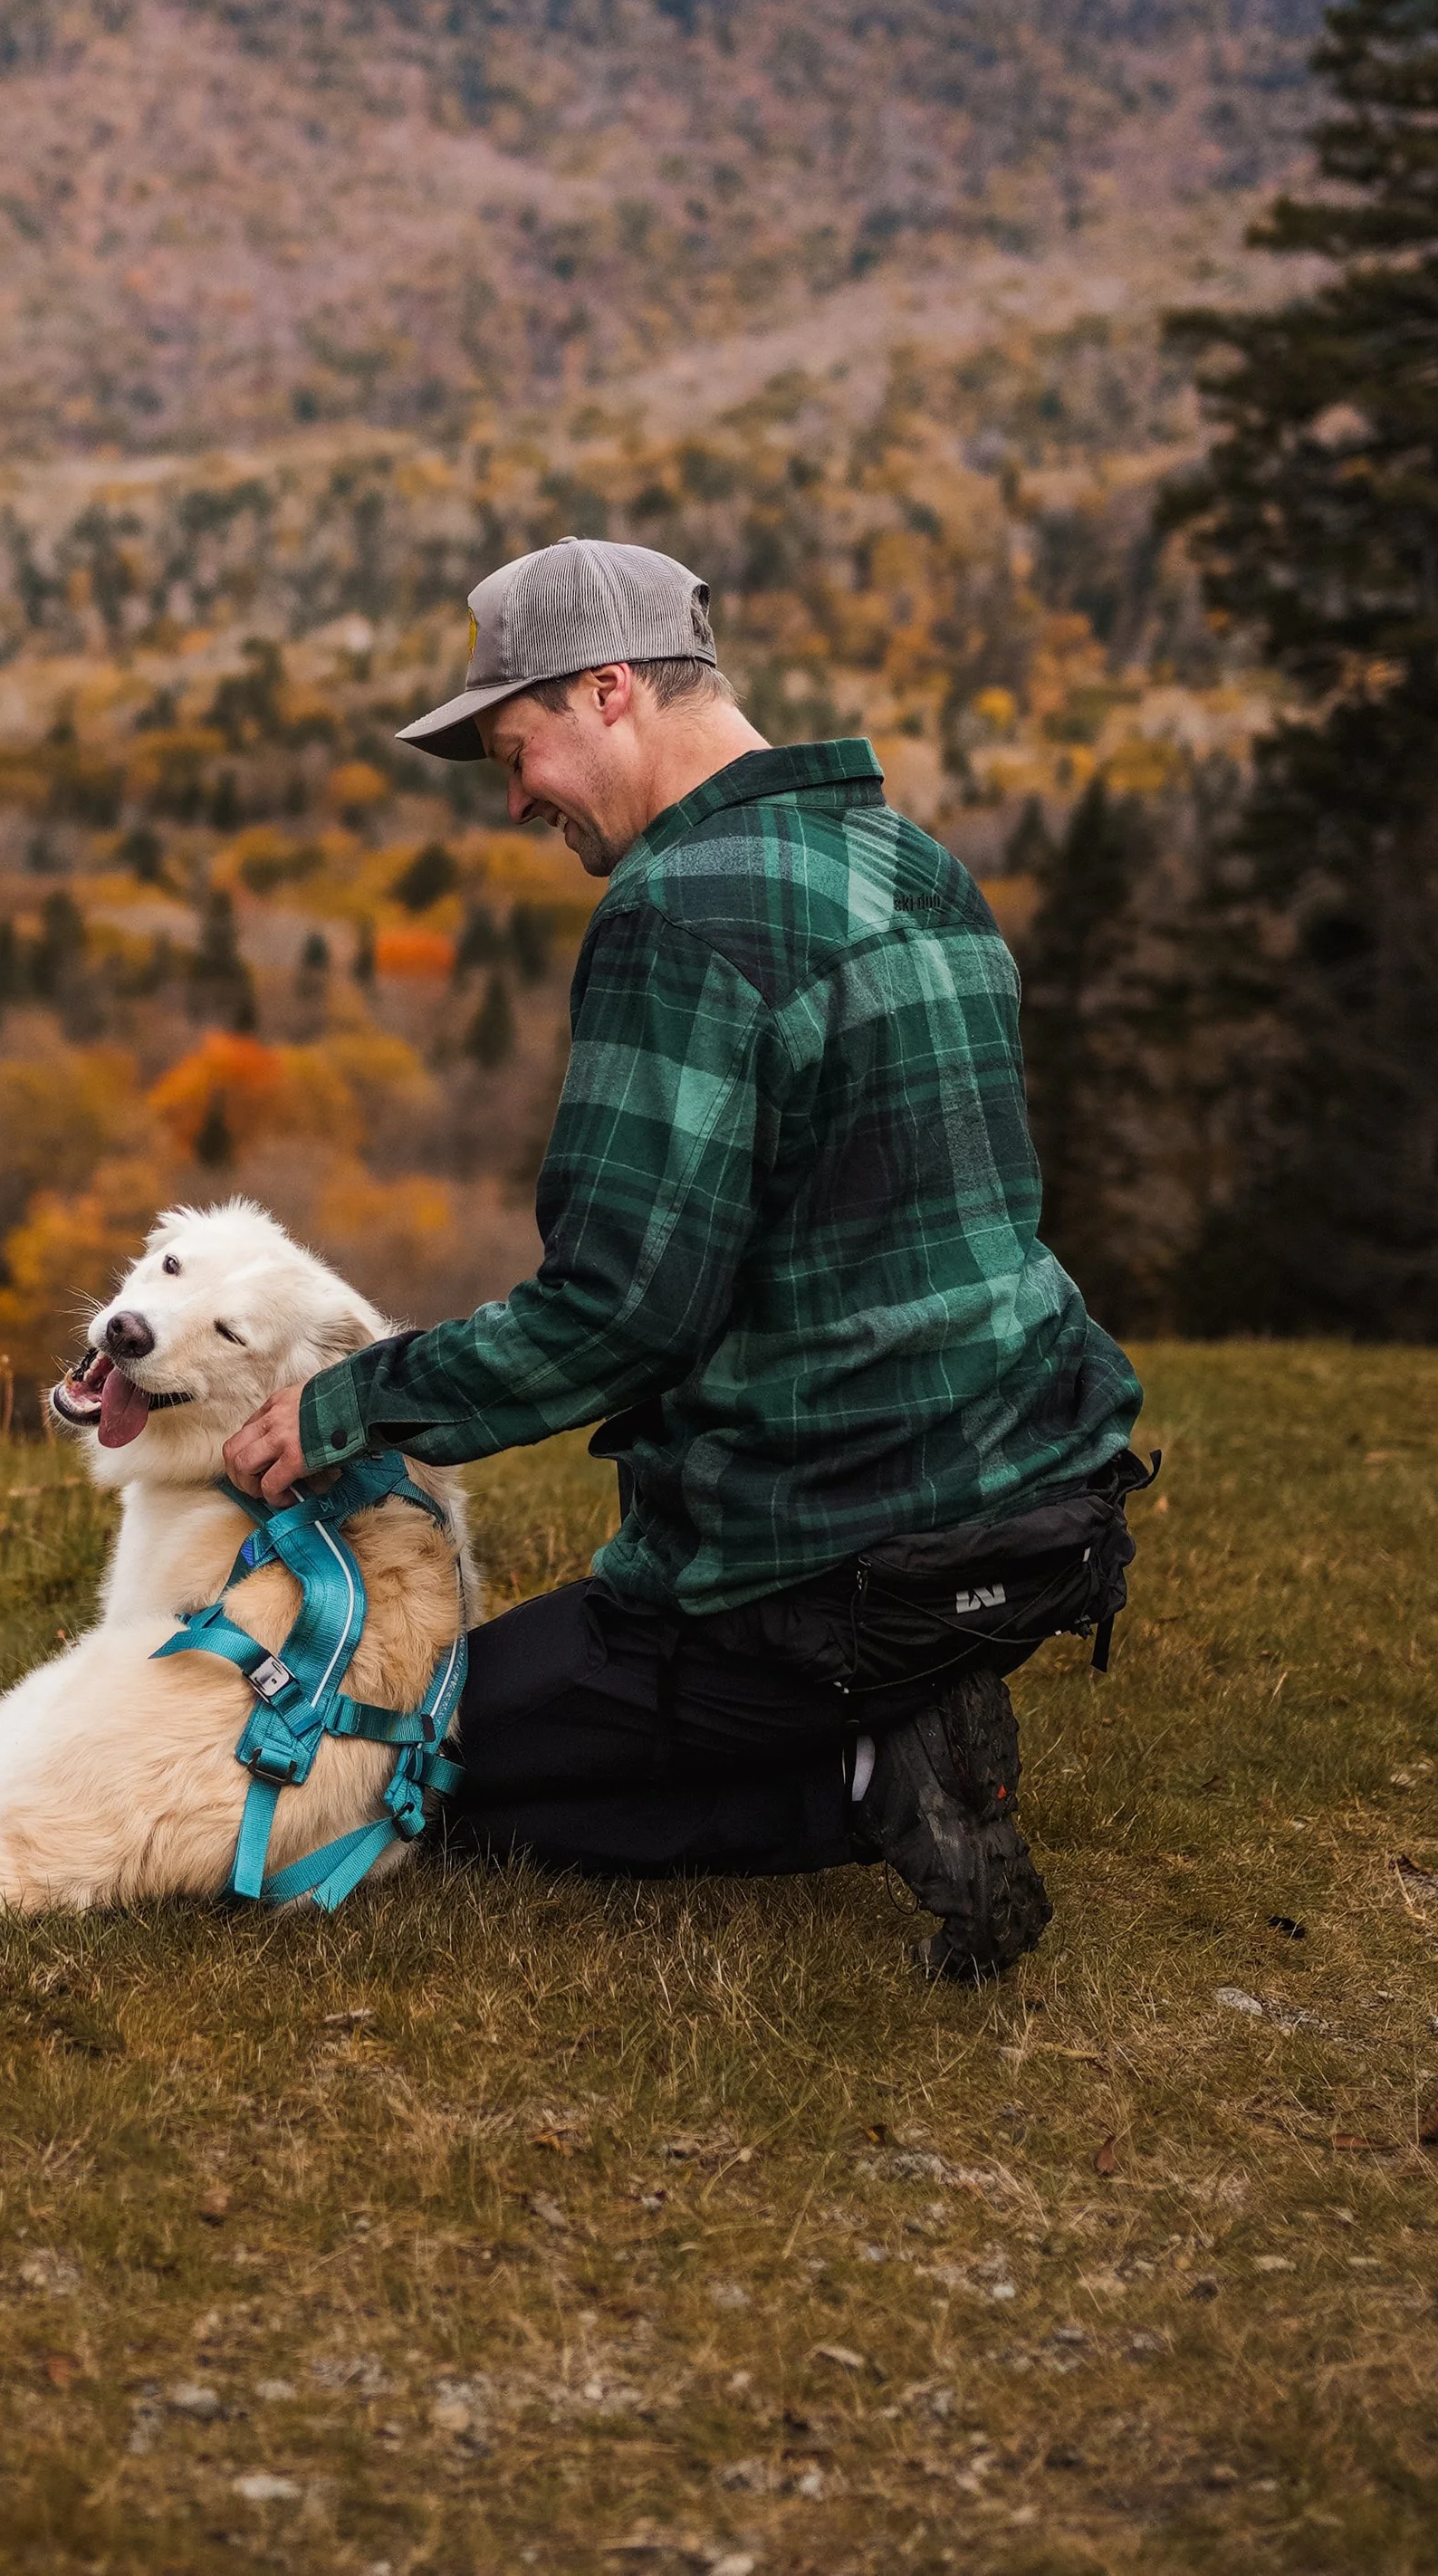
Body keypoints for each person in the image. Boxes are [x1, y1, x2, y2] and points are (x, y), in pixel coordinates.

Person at [223, 536, 1147, 1980]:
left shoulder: (676, 915)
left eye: (517, 749)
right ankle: (891, 1699)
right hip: (1041, 1500)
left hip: (830, 1553)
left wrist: (345, 1404)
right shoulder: (913, 859)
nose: (516, 796)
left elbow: (613, 1314)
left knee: (413, 1760)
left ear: (607, 693)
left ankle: (857, 1767)